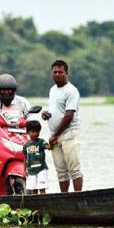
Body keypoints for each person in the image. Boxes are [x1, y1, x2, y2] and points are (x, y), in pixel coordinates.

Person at [41, 59, 83, 192]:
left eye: (60, 72)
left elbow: (68, 116)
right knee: (61, 171)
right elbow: (56, 111)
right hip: (55, 136)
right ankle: (64, 197)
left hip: (68, 134)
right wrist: (47, 115)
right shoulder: (52, 90)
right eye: (55, 72)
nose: (57, 74)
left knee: (74, 169)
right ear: (51, 73)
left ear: (67, 73)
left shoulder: (71, 91)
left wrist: (55, 135)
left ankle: (78, 197)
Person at [23, 120, 51, 194]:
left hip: (41, 169)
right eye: (33, 131)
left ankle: (44, 203)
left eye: (37, 131)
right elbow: (25, 158)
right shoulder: (26, 145)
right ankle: (37, 203)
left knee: (42, 188)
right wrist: (24, 169)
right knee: (33, 189)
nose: (36, 133)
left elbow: (47, 146)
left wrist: (49, 145)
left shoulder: (41, 142)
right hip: (31, 170)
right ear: (28, 132)